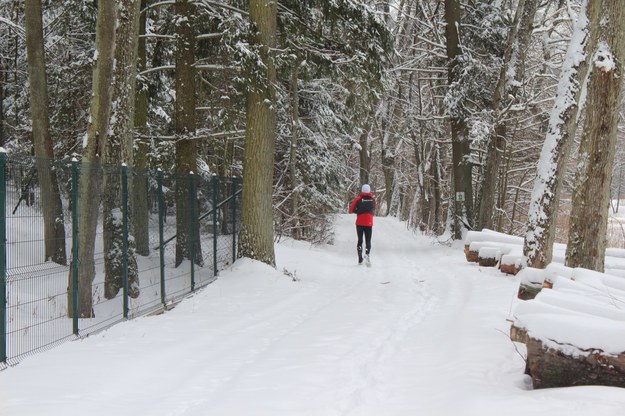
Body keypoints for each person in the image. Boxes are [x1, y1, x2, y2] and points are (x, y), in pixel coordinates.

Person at [349, 184, 376, 265]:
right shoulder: (373, 199)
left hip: (360, 222)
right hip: (369, 222)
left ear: (362, 190)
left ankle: (360, 257)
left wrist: (359, 212)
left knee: (360, 240)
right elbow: (374, 208)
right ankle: (367, 255)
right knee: (368, 240)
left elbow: (351, 210)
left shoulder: (358, 199)